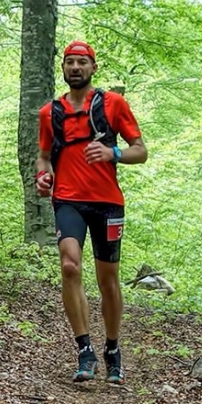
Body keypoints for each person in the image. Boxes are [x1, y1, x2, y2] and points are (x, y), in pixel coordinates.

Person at [34, 40, 148, 384]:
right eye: (70, 62)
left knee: (107, 280)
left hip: (107, 202)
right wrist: (43, 176)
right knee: (69, 266)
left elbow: (140, 151)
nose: (75, 68)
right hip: (67, 200)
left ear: (93, 67)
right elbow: (43, 157)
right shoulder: (49, 112)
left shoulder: (113, 104)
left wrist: (113, 153)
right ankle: (85, 349)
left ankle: (112, 348)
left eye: (82, 62)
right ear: (63, 68)